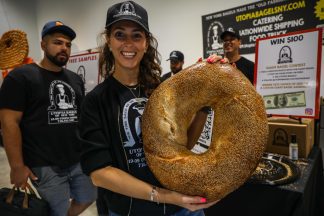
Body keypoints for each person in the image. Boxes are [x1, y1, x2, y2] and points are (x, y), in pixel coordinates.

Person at [78, 1, 223, 216]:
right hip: (133, 211)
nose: (128, 43)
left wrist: (205, 104)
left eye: (136, 35)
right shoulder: (95, 101)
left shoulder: (164, 91)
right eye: (120, 34)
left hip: (182, 208)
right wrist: (164, 196)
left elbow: (183, 147)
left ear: (146, 43)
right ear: (108, 41)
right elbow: (99, 173)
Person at [0, 20, 97, 216]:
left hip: (77, 158)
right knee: (56, 209)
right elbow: (9, 122)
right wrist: (17, 166)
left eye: (68, 45)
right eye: (58, 42)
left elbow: (80, 118)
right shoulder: (20, 77)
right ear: (43, 45)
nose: (64, 48)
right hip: (43, 163)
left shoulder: (75, 79)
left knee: (88, 196)